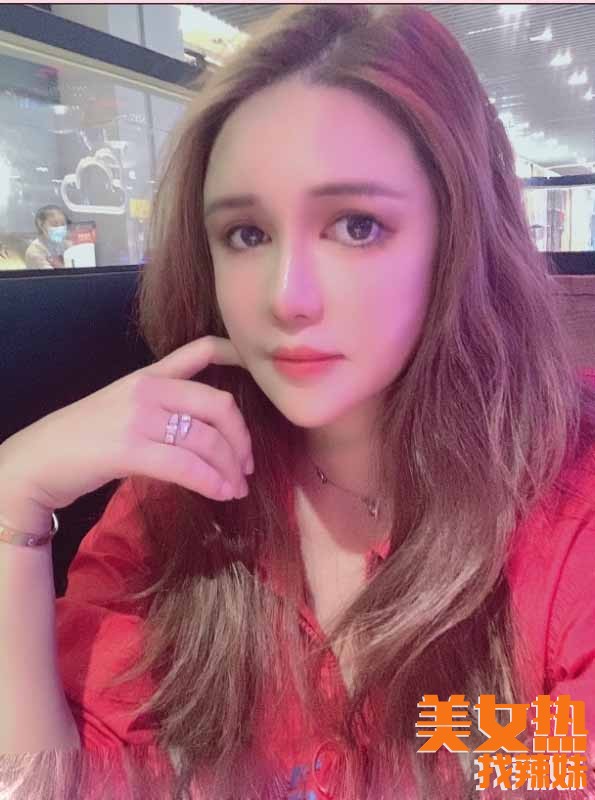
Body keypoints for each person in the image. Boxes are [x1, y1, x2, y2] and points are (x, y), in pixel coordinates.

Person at [0, 5, 594, 800]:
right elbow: (50, 786)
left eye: (356, 226)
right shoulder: (179, 488)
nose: (287, 297)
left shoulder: (566, 505)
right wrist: (13, 499)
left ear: (458, 239)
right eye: (246, 235)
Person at [24, 204, 72, 269]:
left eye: (63, 224)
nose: (60, 228)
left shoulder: (66, 244)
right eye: (55, 224)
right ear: (41, 225)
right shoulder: (34, 252)